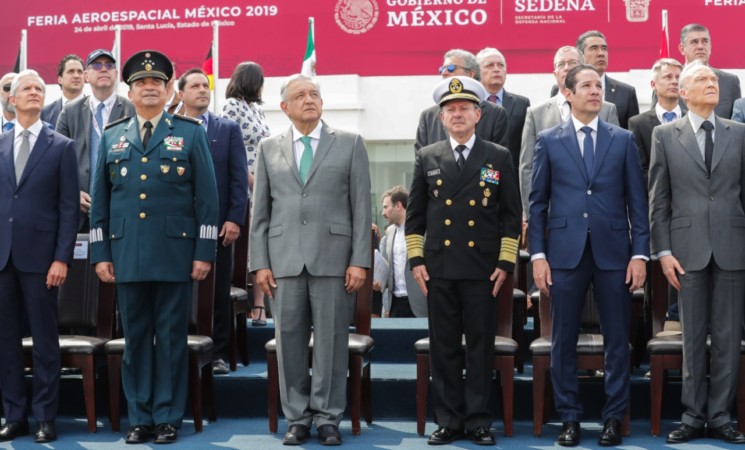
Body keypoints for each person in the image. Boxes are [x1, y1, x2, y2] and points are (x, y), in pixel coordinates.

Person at [89, 50, 219, 445]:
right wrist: (100, 254)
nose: (149, 88)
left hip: (175, 254)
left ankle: (167, 418)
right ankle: (139, 417)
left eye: (156, 83)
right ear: (130, 90)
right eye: (142, 83)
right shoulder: (113, 135)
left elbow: (208, 200)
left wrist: (204, 252)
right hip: (126, 255)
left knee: (171, 341)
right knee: (135, 343)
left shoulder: (191, 132)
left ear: (168, 91)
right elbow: (100, 201)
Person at [528, 64, 649, 447]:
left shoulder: (622, 139)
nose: (596, 91)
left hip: (615, 253)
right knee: (562, 339)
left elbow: (637, 203)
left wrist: (640, 255)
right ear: (567, 93)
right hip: (564, 253)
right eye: (587, 86)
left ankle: (613, 418)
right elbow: (538, 203)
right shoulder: (549, 140)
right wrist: (538, 256)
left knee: (618, 339)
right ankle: (569, 418)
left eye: (599, 85)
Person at [249, 73, 371, 446]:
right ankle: (297, 418)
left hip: (335, 259)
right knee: (288, 341)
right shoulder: (269, 148)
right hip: (283, 261)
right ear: (284, 107)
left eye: (314, 94)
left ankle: (327, 417)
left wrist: (359, 260)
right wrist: (260, 263)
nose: (309, 99)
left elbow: (362, 207)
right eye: (300, 95)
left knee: (333, 340)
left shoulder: (350, 144)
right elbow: (261, 212)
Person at [406, 75, 521, 446]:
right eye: (450, 110)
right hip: (439, 269)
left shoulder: (498, 156)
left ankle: (478, 421)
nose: (457, 115)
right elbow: (415, 216)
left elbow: (509, 215)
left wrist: (504, 264)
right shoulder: (428, 156)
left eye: (464, 109)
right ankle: (449, 420)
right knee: (445, 348)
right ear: (441, 119)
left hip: (482, 270)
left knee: (479, 346)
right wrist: (416, 260)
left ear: (478, 114)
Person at [649, 60, 745, 445]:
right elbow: (659, 199)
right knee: (692, 338)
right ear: (682, 92)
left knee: (727, 336)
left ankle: (721, 416)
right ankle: (691, 414)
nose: (712, 83)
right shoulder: (663, 134)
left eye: (714, 79)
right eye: (703, 79)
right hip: (685, 252)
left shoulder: (739, 134)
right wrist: (664, 251)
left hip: (733, 247)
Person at [0, 69, 79, 444]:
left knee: (46, 342)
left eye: (38, 88)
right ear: (11, 100)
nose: (34, 92)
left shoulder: (61, 145)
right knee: (5, 342)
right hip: (2, 260)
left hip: (43, 261)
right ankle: (14, 415)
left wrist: (61, 258)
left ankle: (46, 417)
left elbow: (68, 209)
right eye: (26, 89)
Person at [177, 68, 248, 375]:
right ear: (180, 94)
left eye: (205, 86)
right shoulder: (172, 128)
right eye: (194, 86)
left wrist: (234, 218)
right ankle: (180, 347)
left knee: (218, 292)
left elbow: (238, 178)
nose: (202, 91)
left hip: (219, 228)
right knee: (181, 292)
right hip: (178, 228)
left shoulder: (227, 129)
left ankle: (217, 351)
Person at [519, 46, 619, 217]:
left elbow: (615, 165)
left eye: (572, 63)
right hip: (554, 214)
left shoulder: (607, 110)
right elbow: (528, 168)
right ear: (554, 73)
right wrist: (531, 215)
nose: (566, 67)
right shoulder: (536, 114)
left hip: (599, 212)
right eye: (561, 64)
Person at [56, 49, 135, 232]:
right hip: (80, 210)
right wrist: (73, 192)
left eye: (109, 66)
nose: (103, 70)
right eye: (97, 66)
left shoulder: (132, 110)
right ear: (86, 75)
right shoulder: (70, 111)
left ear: (116, 74)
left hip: (121, 209)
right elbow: (57, 160)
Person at [221, 61, 270, 325]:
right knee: (245, 247)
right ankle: (243, 303)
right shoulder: (231, 106)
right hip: (244, 183)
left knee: (260, 243)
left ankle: (260, 305)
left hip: (262, 184)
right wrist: (250, 180)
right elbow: (229, 146)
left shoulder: (257, 110)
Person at [415, 49, 508, 151]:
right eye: (442, 69)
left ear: (471, 74)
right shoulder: (428, 116)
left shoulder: (495, 113)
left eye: (451, 68)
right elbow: (422, 159)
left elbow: (498, 158)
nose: (445, 73)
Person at [549, 31, 639, 130]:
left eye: (604, 48)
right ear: (581, 56)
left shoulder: (626, 92)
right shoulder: (559, 89)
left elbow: (632, 133)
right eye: (593, 48)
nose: (601, 53)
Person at [628, 58, 685, 186]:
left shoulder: (692, 119)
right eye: (668, 77)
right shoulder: (638, 124)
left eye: (678, 77)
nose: (675, 81)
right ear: (654, 85)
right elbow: (640, 170)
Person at [476, 47, 530, 175]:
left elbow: (526, 145)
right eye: (489, 65)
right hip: (477, 177)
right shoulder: (471, 105)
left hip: (512, 176)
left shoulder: (522, 103)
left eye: (501, 65)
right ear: (477, 72)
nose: (496, 69)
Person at [375, 186, 427, 318]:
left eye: (386, 207)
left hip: (419, 303)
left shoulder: (423, 231)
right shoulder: (389, 233)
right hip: (395, 305)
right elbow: (387, 271)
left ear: (398, 206)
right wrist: (379, 284)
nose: (383, 212)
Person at [677, 23, 740, 119]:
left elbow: (736, 126)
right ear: (682, 49)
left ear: (710, 46)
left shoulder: (730, 81)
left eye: (705, 41)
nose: (700, 46)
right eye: (694, 42)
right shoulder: (670, 80)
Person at [42, 54, 85, 128]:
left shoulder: (95, 108)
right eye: (71, 71)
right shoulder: (45, 113)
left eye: (80, 72)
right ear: (60, 79)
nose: (76, 76)